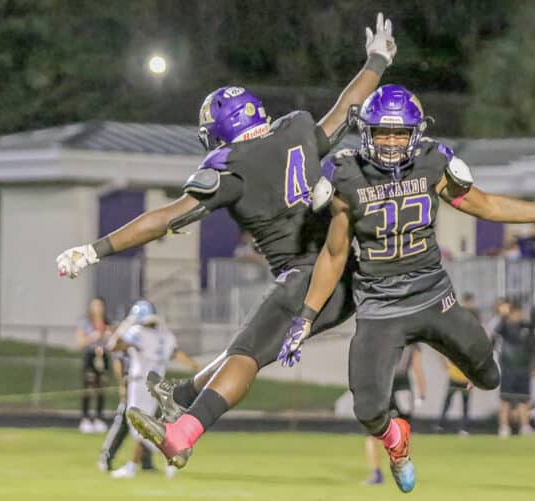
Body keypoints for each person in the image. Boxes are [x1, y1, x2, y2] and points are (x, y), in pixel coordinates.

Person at [56, 13, 398, 469]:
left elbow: (163, 219)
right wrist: (376, 60)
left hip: (307, 278)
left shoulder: (231, 167)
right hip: (345, 275)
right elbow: (347, 107)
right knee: (246, 347)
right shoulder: (295, 129)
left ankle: (183, 433)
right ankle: (181, 394)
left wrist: (94, 249)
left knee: (244, 356)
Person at [275, 84, 535, 492]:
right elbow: (334, 254)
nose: (393, 142)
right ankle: (397, 444)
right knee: (367, 410)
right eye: (383, 132)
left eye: (401, 133)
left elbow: (484, 205)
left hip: (434, 296)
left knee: (488, 376)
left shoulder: (432, 163)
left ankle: (457, 352)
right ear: (367, 132)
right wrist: (306, 317)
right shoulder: (345, 174)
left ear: (416, 133)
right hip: (380, 308)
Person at [106, 300, 199, 479]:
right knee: (145, 425)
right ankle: (151, 461)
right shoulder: (166, 336)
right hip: (156, 385)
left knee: (142, 426)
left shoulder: (138, 332)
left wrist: (126, 324)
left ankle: (160, 456)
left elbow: (113, 346)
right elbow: (177, 355)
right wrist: (197, 367)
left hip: (139, 384)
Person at [364, 344, 425, 485]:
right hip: (403, 385)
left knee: (371, 433)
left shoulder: (382, 335)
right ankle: (403, 472)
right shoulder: (412, 342)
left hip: (382, 383)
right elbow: (417, 368)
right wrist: (422, 393)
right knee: (402, 433)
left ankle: (377, 473)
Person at [97, 347, 154, 472]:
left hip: (144, 388)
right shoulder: (130, 341)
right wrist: (122, 384)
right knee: (123, 423)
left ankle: (146, 461)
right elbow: (119, 361)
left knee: (146, 423)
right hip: (132, 386)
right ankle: (106, 457)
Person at [494, 301, 535, 438]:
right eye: (515, 313)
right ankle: (503, 427)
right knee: (505, 399)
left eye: (519, 313)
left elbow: (534, 348)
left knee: (523, 399)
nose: (518, 316)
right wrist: (503, 316)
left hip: (523, 368)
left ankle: (525, 426)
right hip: (508, 368)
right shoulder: (505, 327)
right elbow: (495, 332)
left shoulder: (528, 327)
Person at [75, 297, 112, 434]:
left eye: (100, 305)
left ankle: (99, 418)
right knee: (88, 386)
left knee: (101, 387)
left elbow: (115, 342)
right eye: (95, 305)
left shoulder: (107, 323)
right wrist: (93, 337)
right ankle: (85, 418)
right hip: (91, 355)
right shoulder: (85, 323)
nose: (98, 308)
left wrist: (109, 336)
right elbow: (80, 342)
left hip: (103, 356)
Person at [436, 358, 471, 435]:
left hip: (464, 380)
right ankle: (441, 424)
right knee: (447, 403)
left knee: (464, 405)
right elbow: (441, 353)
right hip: (454, 378)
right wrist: (445, 365)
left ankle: (464, 428)